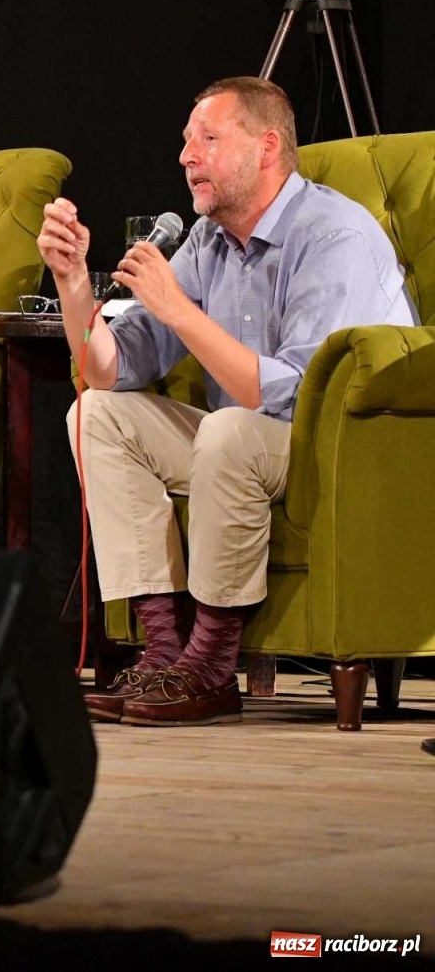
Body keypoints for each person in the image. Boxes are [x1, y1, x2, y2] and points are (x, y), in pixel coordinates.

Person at [39, 77, 416, 726]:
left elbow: (291, 394)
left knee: (231, 430)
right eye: (186, 142)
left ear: (266, 147)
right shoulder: (211, 241)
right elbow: (109, 368)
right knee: (95, 414)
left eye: (207, 140)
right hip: (245, 449)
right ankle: (163, 656)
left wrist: (180, 312)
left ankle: (212, 667)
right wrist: (73, 281)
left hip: (344, 451)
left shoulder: (333, 237)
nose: (187, 157)